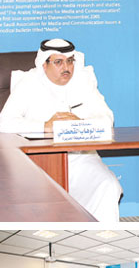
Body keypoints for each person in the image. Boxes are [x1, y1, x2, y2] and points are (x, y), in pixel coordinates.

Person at [0, 38, 122, 222]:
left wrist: (81, 123)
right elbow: (4, 122)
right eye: (58, 62)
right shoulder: (29, 83)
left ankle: (96, 234)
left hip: (80, 158)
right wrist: (44, 127)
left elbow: (107, 118)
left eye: (70, 61)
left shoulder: (83, 81)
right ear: (44, 64)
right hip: (38, 161)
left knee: (108, 185)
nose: (66, 67)